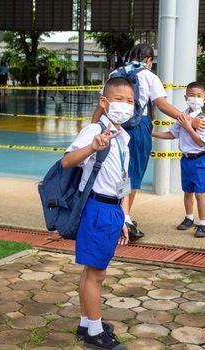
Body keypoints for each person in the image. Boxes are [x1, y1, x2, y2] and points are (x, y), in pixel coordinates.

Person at [91, 43, 205, 241]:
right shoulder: (149, 76)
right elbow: (161, 104)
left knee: (118, 171)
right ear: (148, 60)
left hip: (114, 127)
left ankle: (117, 214)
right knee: (133, 175)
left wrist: (92, 129)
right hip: (138, 128)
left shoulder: (115, 74)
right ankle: (125, 219)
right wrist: (188, 120)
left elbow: (101, 106)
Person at [62, 76, 133, 350]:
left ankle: (86, 323)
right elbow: (67, 160)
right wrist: (93, 146)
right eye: (119, 100)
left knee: (92, 270)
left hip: (112, 209)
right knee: (96, 274)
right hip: (97, 208)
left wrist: (124, 217)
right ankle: (94, 332)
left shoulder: (123, 137)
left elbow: (122, 181)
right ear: (104, 102)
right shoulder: (94, 130)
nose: (125, 106)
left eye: (130, 102)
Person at [152, 82, 205, 238]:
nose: (195, 98)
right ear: (185, 97)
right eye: (192, 95)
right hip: (186, 160)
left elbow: (201, 142)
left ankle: (202, 224)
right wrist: (153, 134)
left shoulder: (203, 120)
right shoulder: (182, 116)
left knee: (200, 194)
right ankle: (189, 218)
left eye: (199, 96)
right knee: (187, 192)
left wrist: (188, 127)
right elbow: (172, 134)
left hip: (200, 160)